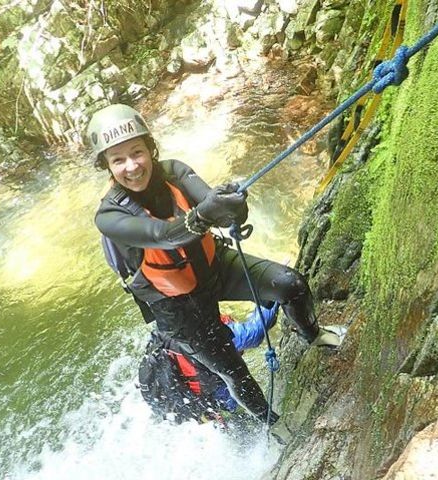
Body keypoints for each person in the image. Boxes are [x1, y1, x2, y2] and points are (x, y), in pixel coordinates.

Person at [89, 103, 342, 426]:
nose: (132, 166)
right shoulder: (110, 217)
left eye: (137, 152)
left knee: (291, 285)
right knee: (234, 371)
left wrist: (232, 208)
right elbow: (163, 235)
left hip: (212, 266)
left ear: (150, 149)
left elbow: (213, 204)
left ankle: (314, 336)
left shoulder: (175, 172)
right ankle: (274, 425)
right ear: (107, 167)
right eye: (118, 160)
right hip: (177, 307)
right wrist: (205, 213)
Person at [137, 304, 280, 425]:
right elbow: (256, 330)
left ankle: (226, 419)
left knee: (231, 406)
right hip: (194, 388)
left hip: (181, 393)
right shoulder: (217, 342)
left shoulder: (179, 339)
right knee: (240, 399)